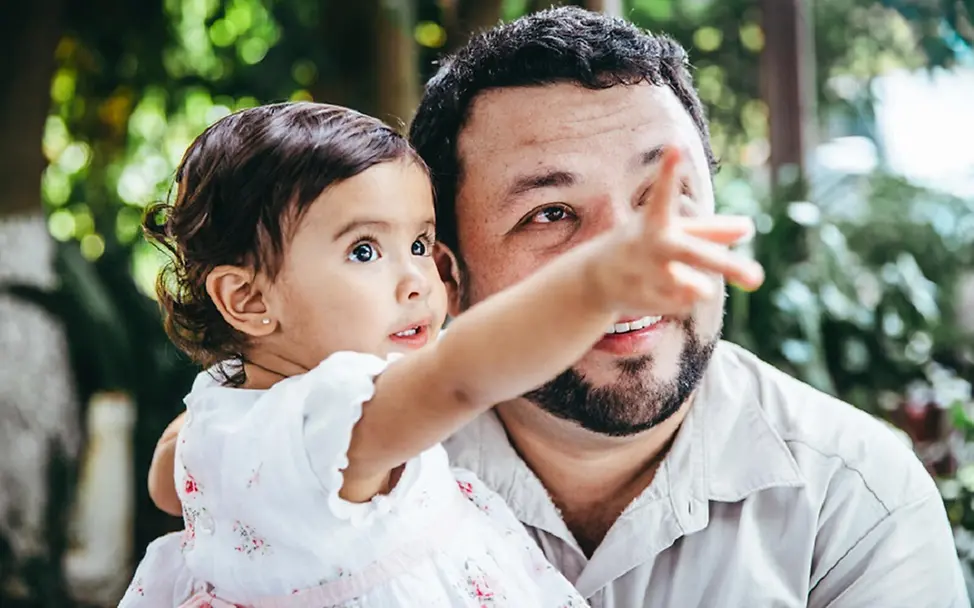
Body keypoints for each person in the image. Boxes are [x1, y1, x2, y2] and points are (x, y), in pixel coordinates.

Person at [147, 7, 970, 607]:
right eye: (550, 214)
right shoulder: (386, 419)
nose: (631, 258)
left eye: (663, 199)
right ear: (453, 271)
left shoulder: (852, 497)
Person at [121, 100, 761, 608]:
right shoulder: (337, 428)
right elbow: (459, 378)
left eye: (422, 244)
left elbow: (167, 484)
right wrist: (595, 283)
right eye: (365, 251)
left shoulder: (231, 408)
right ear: (247, 298)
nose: (418, 281)